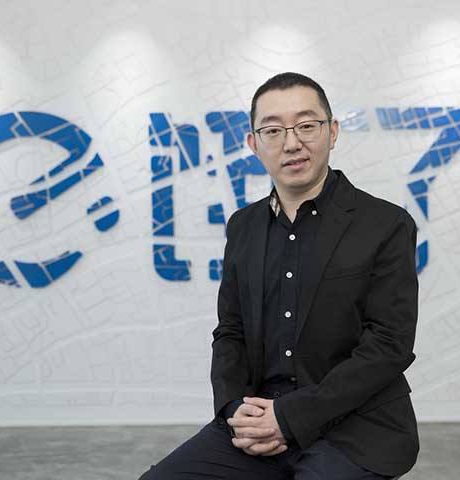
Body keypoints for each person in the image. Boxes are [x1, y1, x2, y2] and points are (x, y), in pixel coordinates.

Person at [139, 72, 419, 479]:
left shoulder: (385, 224)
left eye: (306, 126)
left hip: (355, 426)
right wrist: (234, 407)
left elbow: (389, 345)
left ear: (332, 132)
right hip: (260, 416)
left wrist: (290, 417)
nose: (291, 143)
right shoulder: (243, 227)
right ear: (253, 144)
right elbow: (230, 331)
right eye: (272, 130)